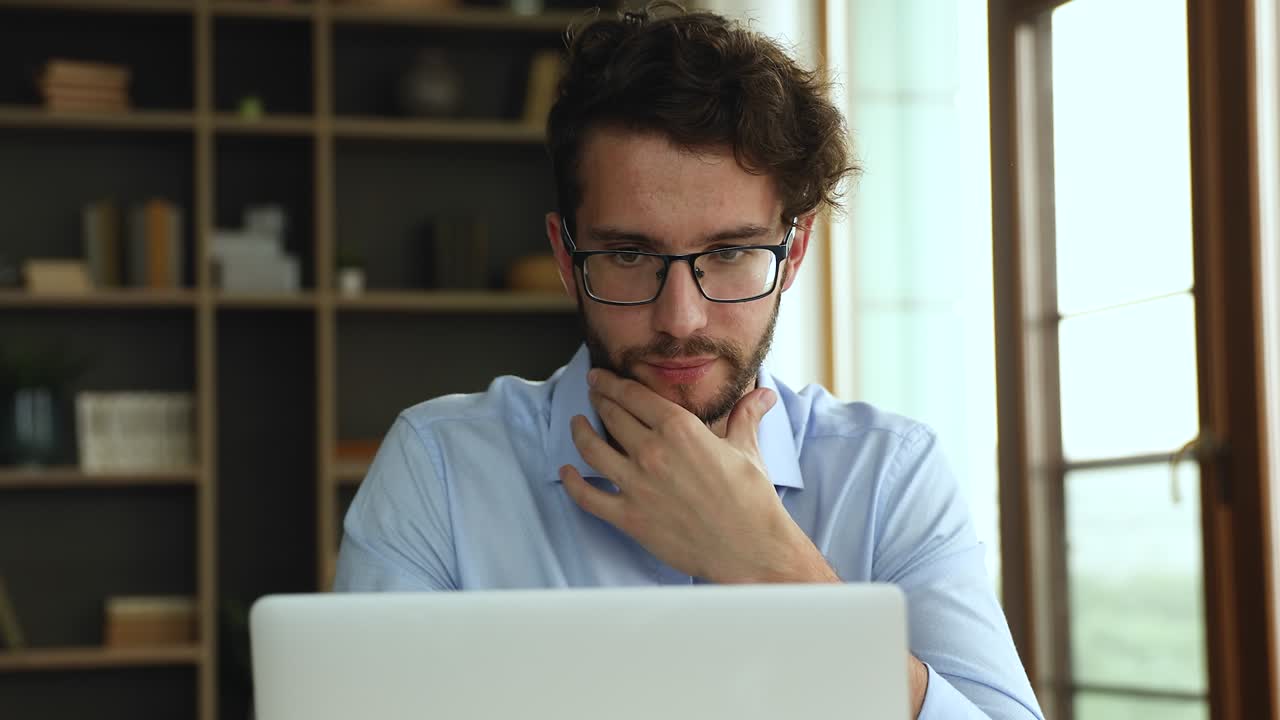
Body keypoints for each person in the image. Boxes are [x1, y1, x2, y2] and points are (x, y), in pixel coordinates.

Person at [334, 3, 1043, 718]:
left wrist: (768, 565)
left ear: (792, 253)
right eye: (629, 254)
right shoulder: (440, 470)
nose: (680, 319)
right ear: (564, 254)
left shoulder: (889, 476)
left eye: (729, 253)